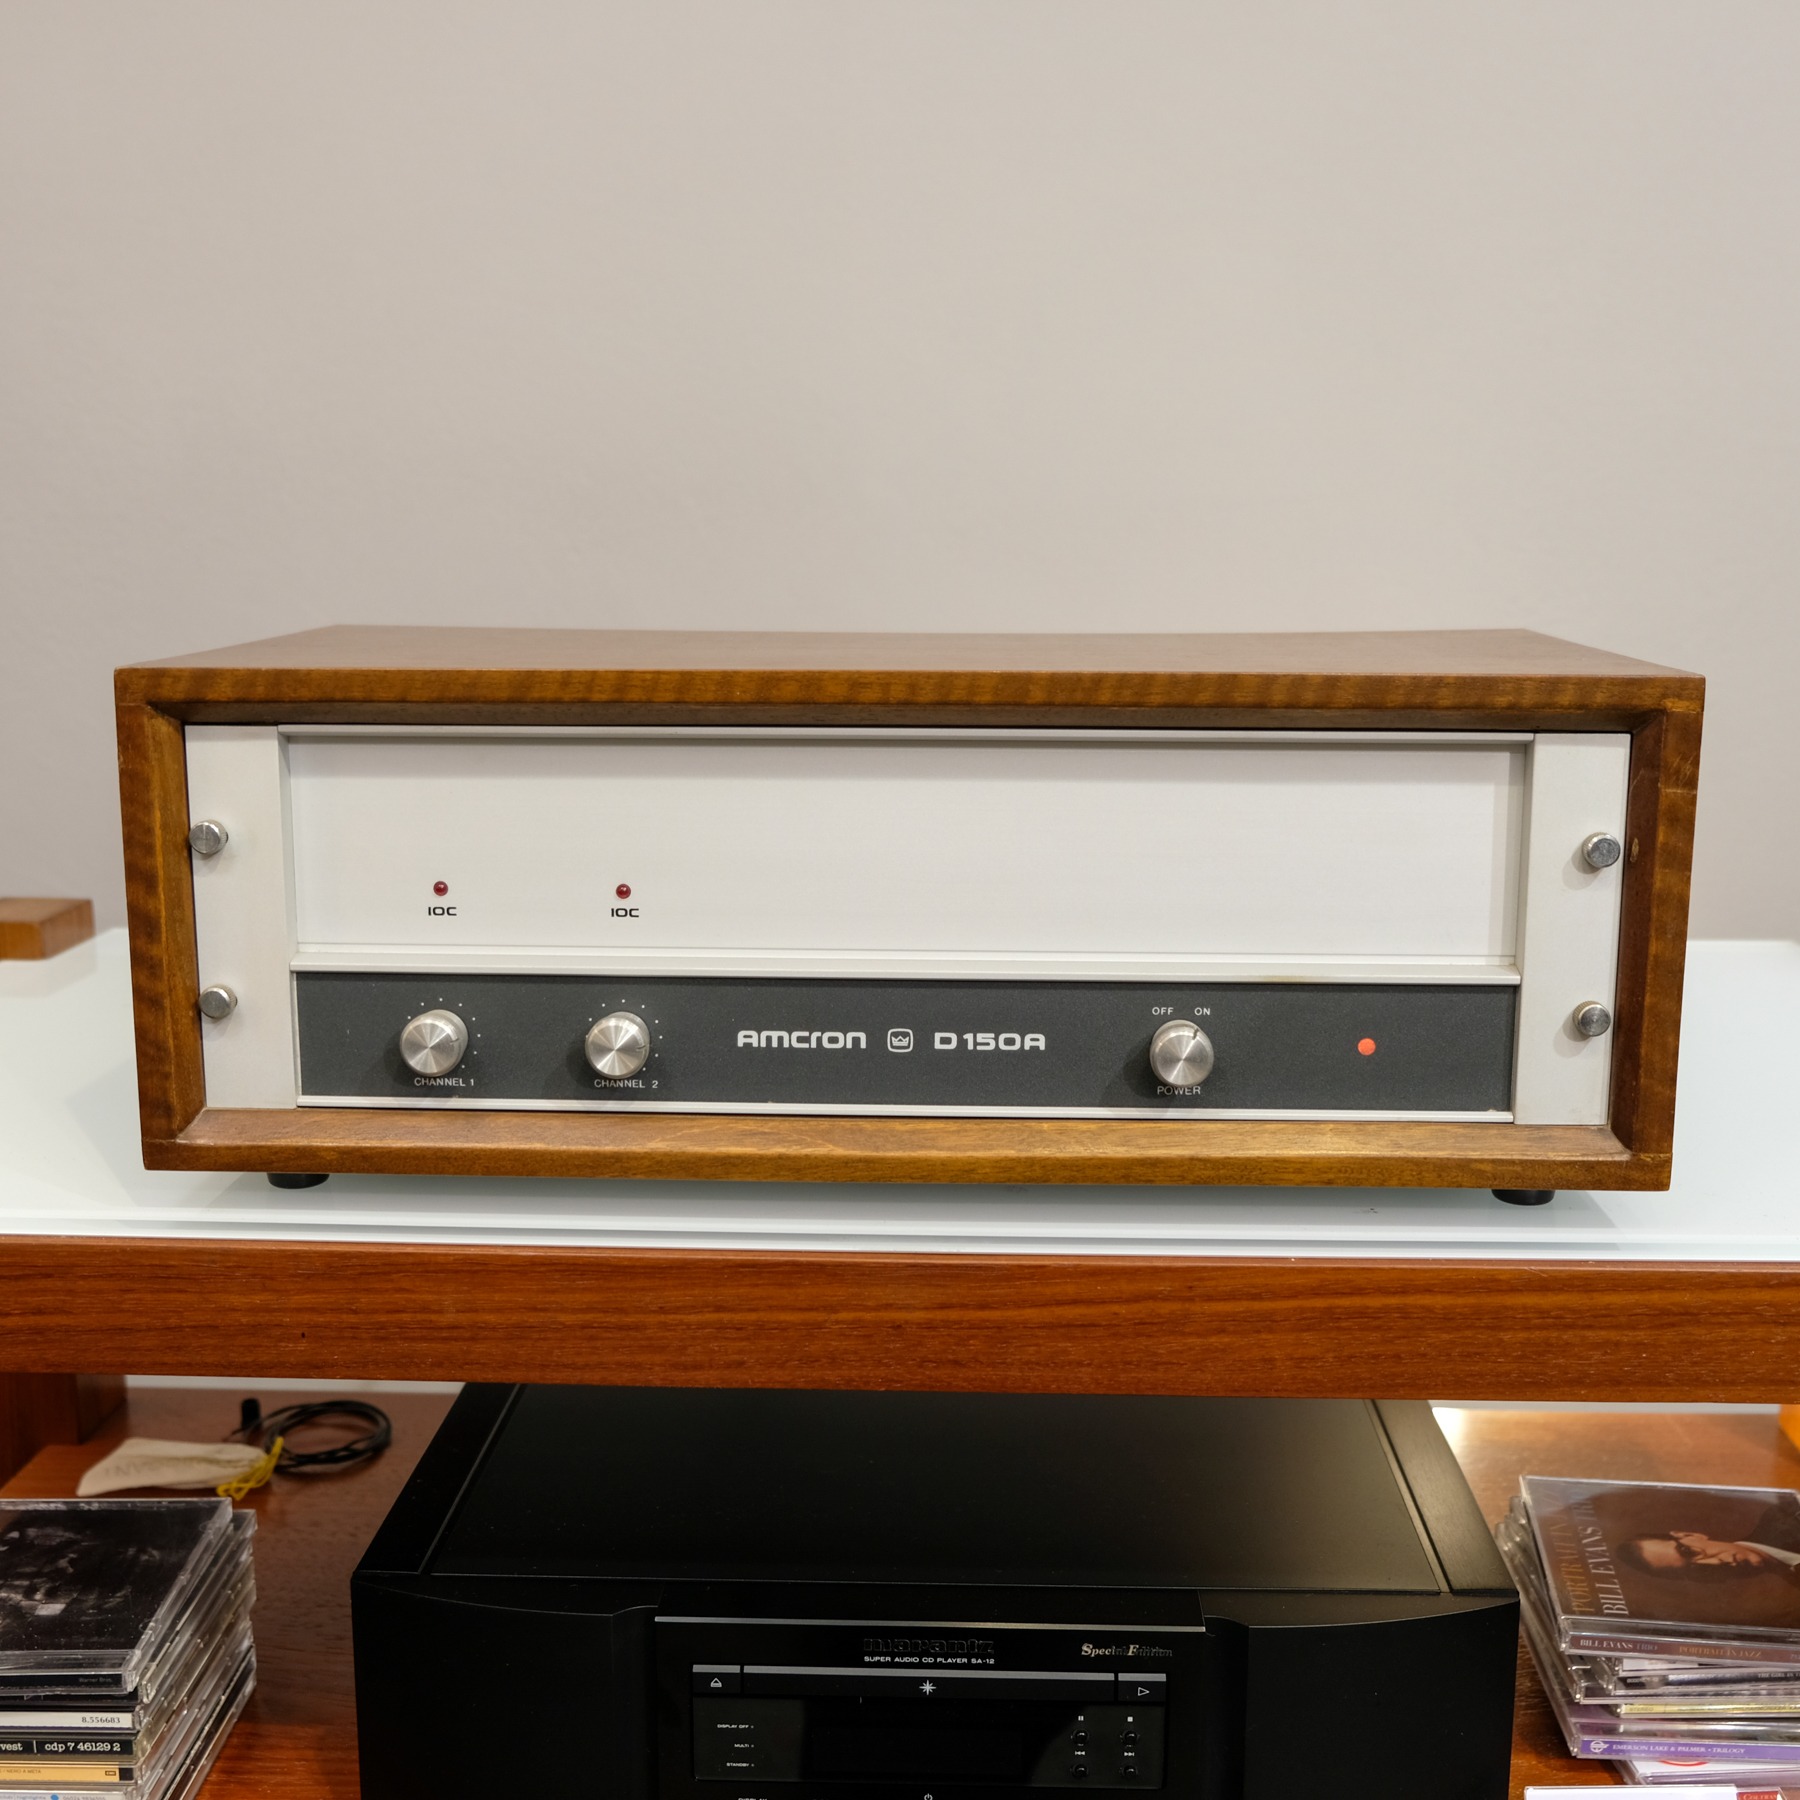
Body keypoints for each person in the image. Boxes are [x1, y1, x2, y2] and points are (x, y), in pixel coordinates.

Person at [1617, 1505, 1800, 1584]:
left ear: (1690, 1535)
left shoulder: (1789, 1511)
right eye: (1697, 1570)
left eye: (1688, 1552)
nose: (1718, 1563)